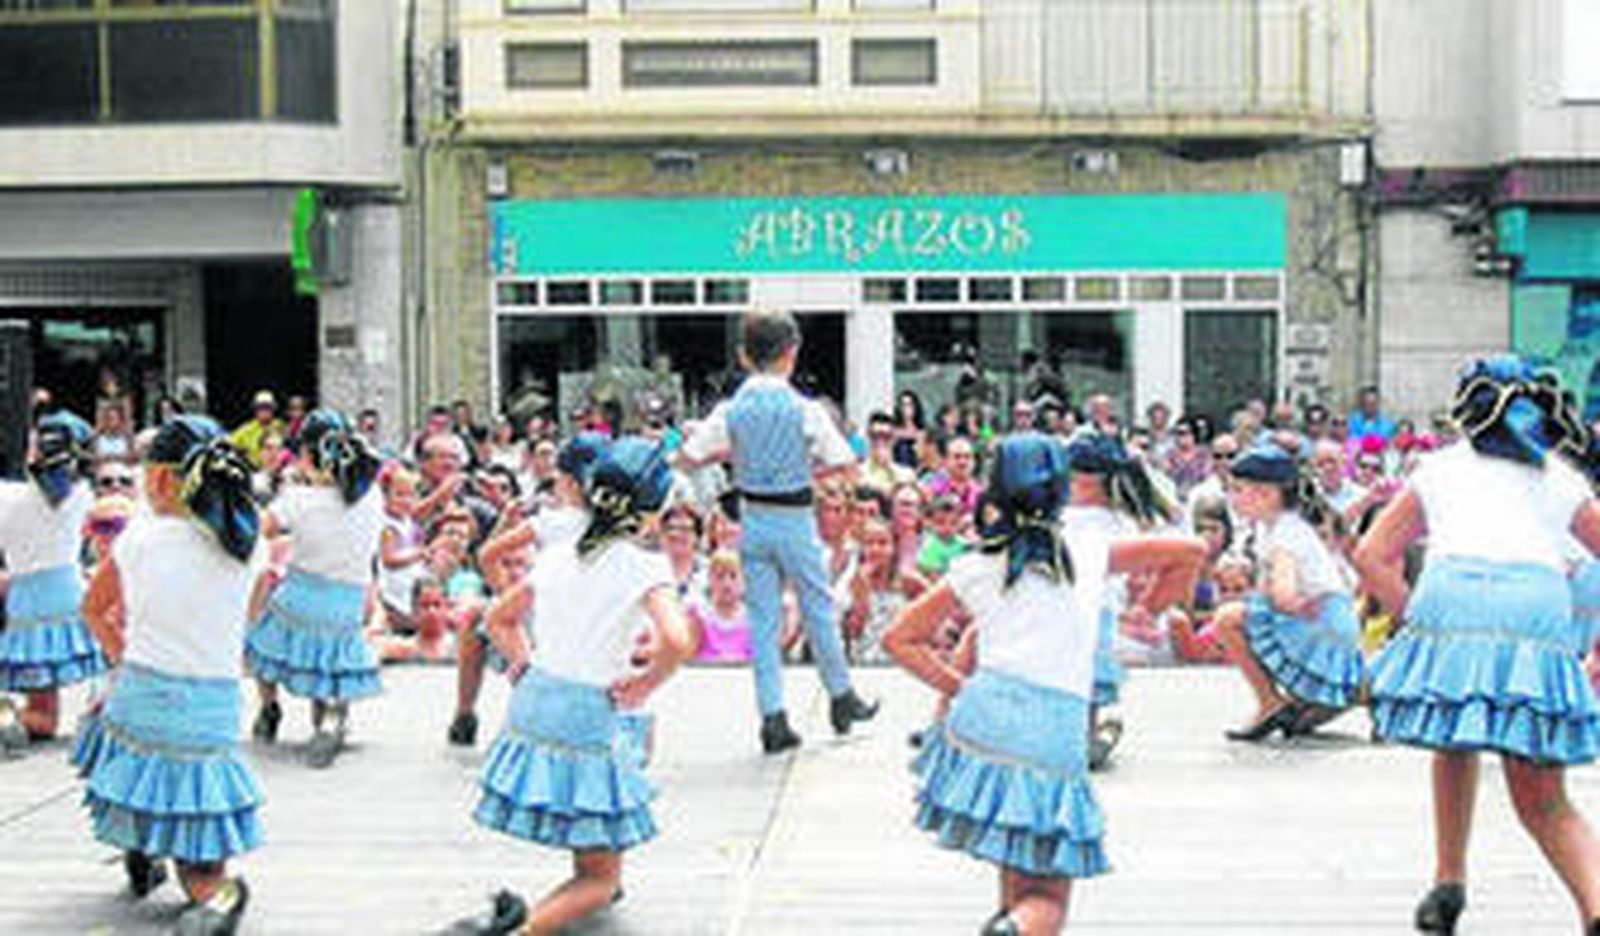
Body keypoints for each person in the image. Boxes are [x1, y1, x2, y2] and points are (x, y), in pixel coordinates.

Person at [884, 433, 1204, 936]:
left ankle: (1010, 922)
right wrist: (1150, 607)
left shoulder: (975, 563)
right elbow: (1192, 549)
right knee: (1049, 899)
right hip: (1051, 731)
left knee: (1016, 858)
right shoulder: (1090, 549)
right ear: (1061, 490)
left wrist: (958, 687)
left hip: (980, 724)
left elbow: (900, 638)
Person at [1354, 358, 1600, 934]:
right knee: (1541, 793)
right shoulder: (1560, 478)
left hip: (1452, 596)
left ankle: (1448, 883)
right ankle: (1595, 907)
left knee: (1453, 738)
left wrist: (1420, 626)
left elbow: (1369, 554)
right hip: (1534, 610)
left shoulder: (1436, 469)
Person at [459, 438, 698, 936]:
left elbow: (498, 618)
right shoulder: (644, 566)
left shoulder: (562, 552)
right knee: (602, 880)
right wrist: (644, 684)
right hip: (588, 711)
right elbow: (677, 639)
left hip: (535, 703)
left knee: (589, 832)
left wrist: (523, 662)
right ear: (651, 513)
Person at [78, 416, 262, 934]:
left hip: (142, 695)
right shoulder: (250, 544)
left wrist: (122, 654)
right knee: (202, 859)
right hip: (214, 711)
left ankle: (139, 845)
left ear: (159, 479)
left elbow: (93, 609)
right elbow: (249, 616)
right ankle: (216, 894)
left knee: (119, 752)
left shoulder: (138, 539)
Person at [678, 309, 877, 754]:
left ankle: (773, 716)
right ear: (792, 353)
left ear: (744, 356)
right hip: (794, 515)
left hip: (752, 515)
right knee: (818, 607)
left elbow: (689, 456)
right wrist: (804, 468)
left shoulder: (731, 409)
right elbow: (844, 461)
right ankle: (841, 696)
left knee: (764, 619)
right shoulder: (803, 408)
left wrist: (735, 456)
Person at [244, 410, 384, 768]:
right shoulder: (371, 498)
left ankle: (269, 705)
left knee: (261, 634)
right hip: (349, 602)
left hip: (301, 594)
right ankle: (332, 716)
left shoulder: (297, 499)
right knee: (333, 657)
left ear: (307, 455)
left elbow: (260, 529)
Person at [1209, 441, 1367, 740]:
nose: (1232, 498)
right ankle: (1349, 692)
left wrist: (1281, 600)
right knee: (1299, 722)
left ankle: (1270, 702)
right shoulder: (1275, 525)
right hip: (1328, 619)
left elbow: (1283, 587)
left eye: (1237, 490)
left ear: (1265, 494)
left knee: (1227, 619)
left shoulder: (1285, 533)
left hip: (1316, 620)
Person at [1061, 429, 1183, 771]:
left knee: (1073, 672)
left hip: (1075, 606)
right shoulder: (1122, 521)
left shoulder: (1075, 517)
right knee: (1084, 675)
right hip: (1093, 607)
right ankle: (1082, 732)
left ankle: (1078, 733)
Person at [0, 412, 106, 753]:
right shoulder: (83, 494)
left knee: (41, 710)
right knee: (50, 709)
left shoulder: (8, 499)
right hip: (72, 597)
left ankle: (11, 718)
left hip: (28, 603)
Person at [692, 550, 753, 664]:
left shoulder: (754, 619)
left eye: (733, 576)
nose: (727, 583)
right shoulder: (699, 616)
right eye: (720, 576)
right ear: (710, 579)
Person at [229, 390, 284, 469]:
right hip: (251, 470)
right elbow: (230, 443)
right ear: (255, 410)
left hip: (276, 469)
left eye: (267, 408)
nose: (264, 411)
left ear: (273, 410)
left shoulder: (280, 427)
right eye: (261, 408)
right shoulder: (247, 429)